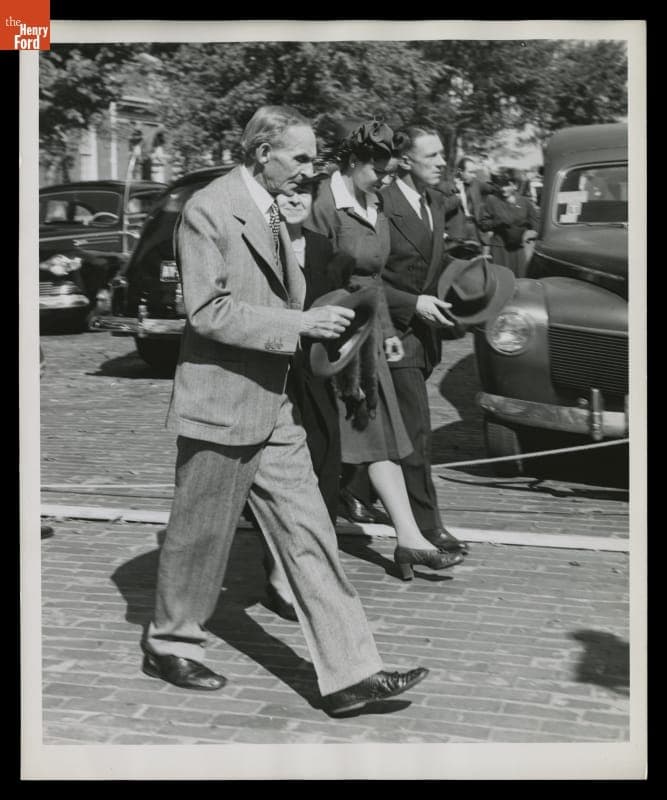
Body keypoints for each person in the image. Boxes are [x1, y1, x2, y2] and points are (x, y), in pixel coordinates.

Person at [141, 105, 428, 716]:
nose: (310, 170)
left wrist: (297, 240)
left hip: (275, 404)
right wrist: (298, 323)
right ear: (261, 152)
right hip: (219, 400)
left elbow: (287, 289)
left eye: (313, 158)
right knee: (199, 536)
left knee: (311, 533)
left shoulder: (278, 209)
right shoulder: (209, 209)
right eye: (300, 158)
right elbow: (207, 311)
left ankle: (352, 672)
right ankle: (169, 643)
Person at [308, 120, 463, 579]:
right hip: (326, 335)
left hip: (367, 336)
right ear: (353, 163)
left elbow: (376, 280)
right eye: (377, 169)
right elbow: (308, 275)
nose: (385, 178)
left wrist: (387, 331)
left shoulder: (373, 201)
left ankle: (411, 539)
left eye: (389, 169)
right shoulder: (321, 205)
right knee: (321, 445)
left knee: (380, 438)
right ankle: (295, 553)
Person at [261, 177, 352, 621]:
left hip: (316, 379)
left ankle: (314, 569)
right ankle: (279, 575)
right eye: (283, 192)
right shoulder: (257, 248)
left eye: (303, 191)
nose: (294, 199)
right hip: (270, 377)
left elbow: (345, 316)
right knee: (281, 480)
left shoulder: (326, 252)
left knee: (322, 467)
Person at [380, 126, 468, 557]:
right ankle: (427, 528)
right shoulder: (381, 202)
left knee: (382, 430)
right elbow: (365, 278)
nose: (440, 162)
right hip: (391, 334)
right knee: (415, 432)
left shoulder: (435, 200)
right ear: (405, 160)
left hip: (426, 335)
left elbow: (434, 259)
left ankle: (356, 488)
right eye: (430, 156)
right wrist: (412, 304)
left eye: (441, 155)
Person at [479, 171, 540, 278]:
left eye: (506, 185)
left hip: (518, 250)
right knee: (501, 280)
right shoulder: (492, 200)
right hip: (499, 249)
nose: (502, 188)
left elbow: (536, 223)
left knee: (519, 280)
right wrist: (497, 222)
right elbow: (483, 224)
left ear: (515, 185)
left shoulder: (525, 202)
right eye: (500, 185)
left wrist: (529, 235)